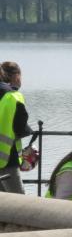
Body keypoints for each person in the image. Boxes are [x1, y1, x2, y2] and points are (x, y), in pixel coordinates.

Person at [0, 62, 33, 194]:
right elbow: (20, 127)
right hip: (7, 158)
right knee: (19, 201)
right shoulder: (13, 96)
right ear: (16, 76)